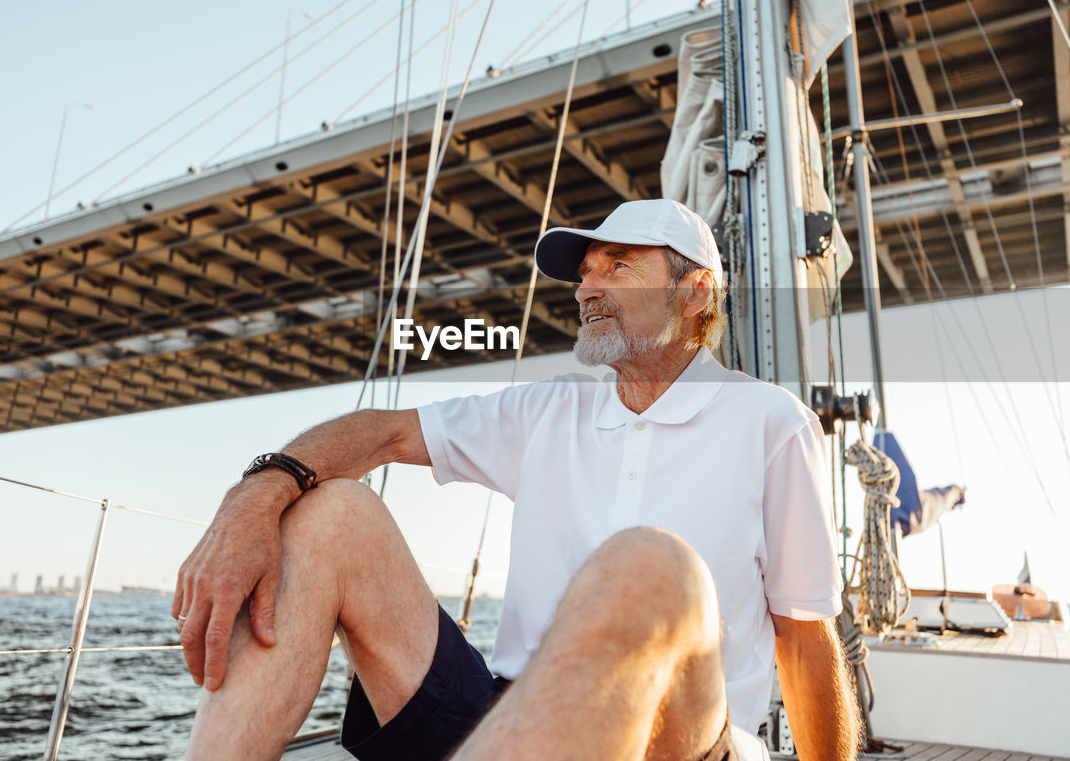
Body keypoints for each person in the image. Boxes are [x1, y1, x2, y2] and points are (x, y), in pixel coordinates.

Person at [175, 198, 860, 761]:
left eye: (617, 266)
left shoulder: (771, 424)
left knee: (651, 564)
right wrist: (255, 497)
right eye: (586, 273)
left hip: (674, 743)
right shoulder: (547, 408)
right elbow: (383, 431)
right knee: (332, 514)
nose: (588, 287)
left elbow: (805, 639)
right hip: (499, 716)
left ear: (694, 290)